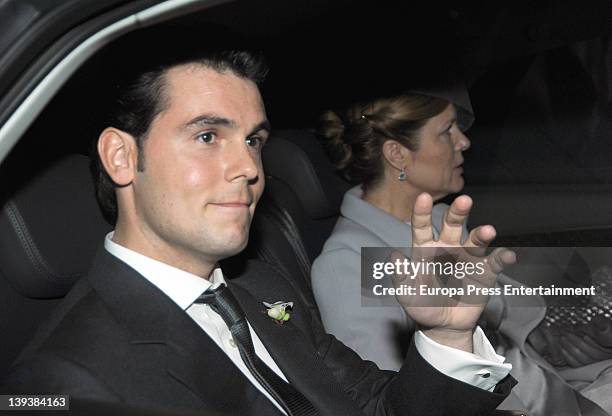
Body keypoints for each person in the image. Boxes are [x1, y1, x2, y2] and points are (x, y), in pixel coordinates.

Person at [1, 36, 516, 415]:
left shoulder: (262, 288)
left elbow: (377, 409)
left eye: (252, 140)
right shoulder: (65, 382)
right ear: (120, 157)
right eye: (207, 136)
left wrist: (447, 334)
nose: (250, 167)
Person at [311, 92, 612, 415]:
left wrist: (546, 336)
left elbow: (495, 312)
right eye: (446, 131)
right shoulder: (349, 263)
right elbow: (393, 398)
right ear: (397, 154)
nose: (464, 142)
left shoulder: (443, 221)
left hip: (540, 384)